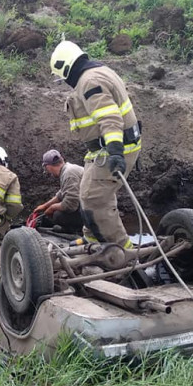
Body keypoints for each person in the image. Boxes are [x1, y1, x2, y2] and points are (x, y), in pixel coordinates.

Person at [50, 40, 142, 248]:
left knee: (95, 199)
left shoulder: (89, 81)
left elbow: (110, 117)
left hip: (113, 146)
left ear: (66, 67)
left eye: (62, 76)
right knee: (88, 192)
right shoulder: (98, 71)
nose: (64, 81)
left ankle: (121, 250)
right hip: (104, 147)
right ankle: (92, 238)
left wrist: (116, 151)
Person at [33, 149, 84, 235]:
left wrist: (52, 208)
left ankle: (77, 230)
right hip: (92, 206)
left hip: (94, 211)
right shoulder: (68, 169)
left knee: (57, 215)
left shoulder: (69, 173)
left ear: (48, 167)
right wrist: (45, 206)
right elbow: (61, 194)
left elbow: (71, 205)